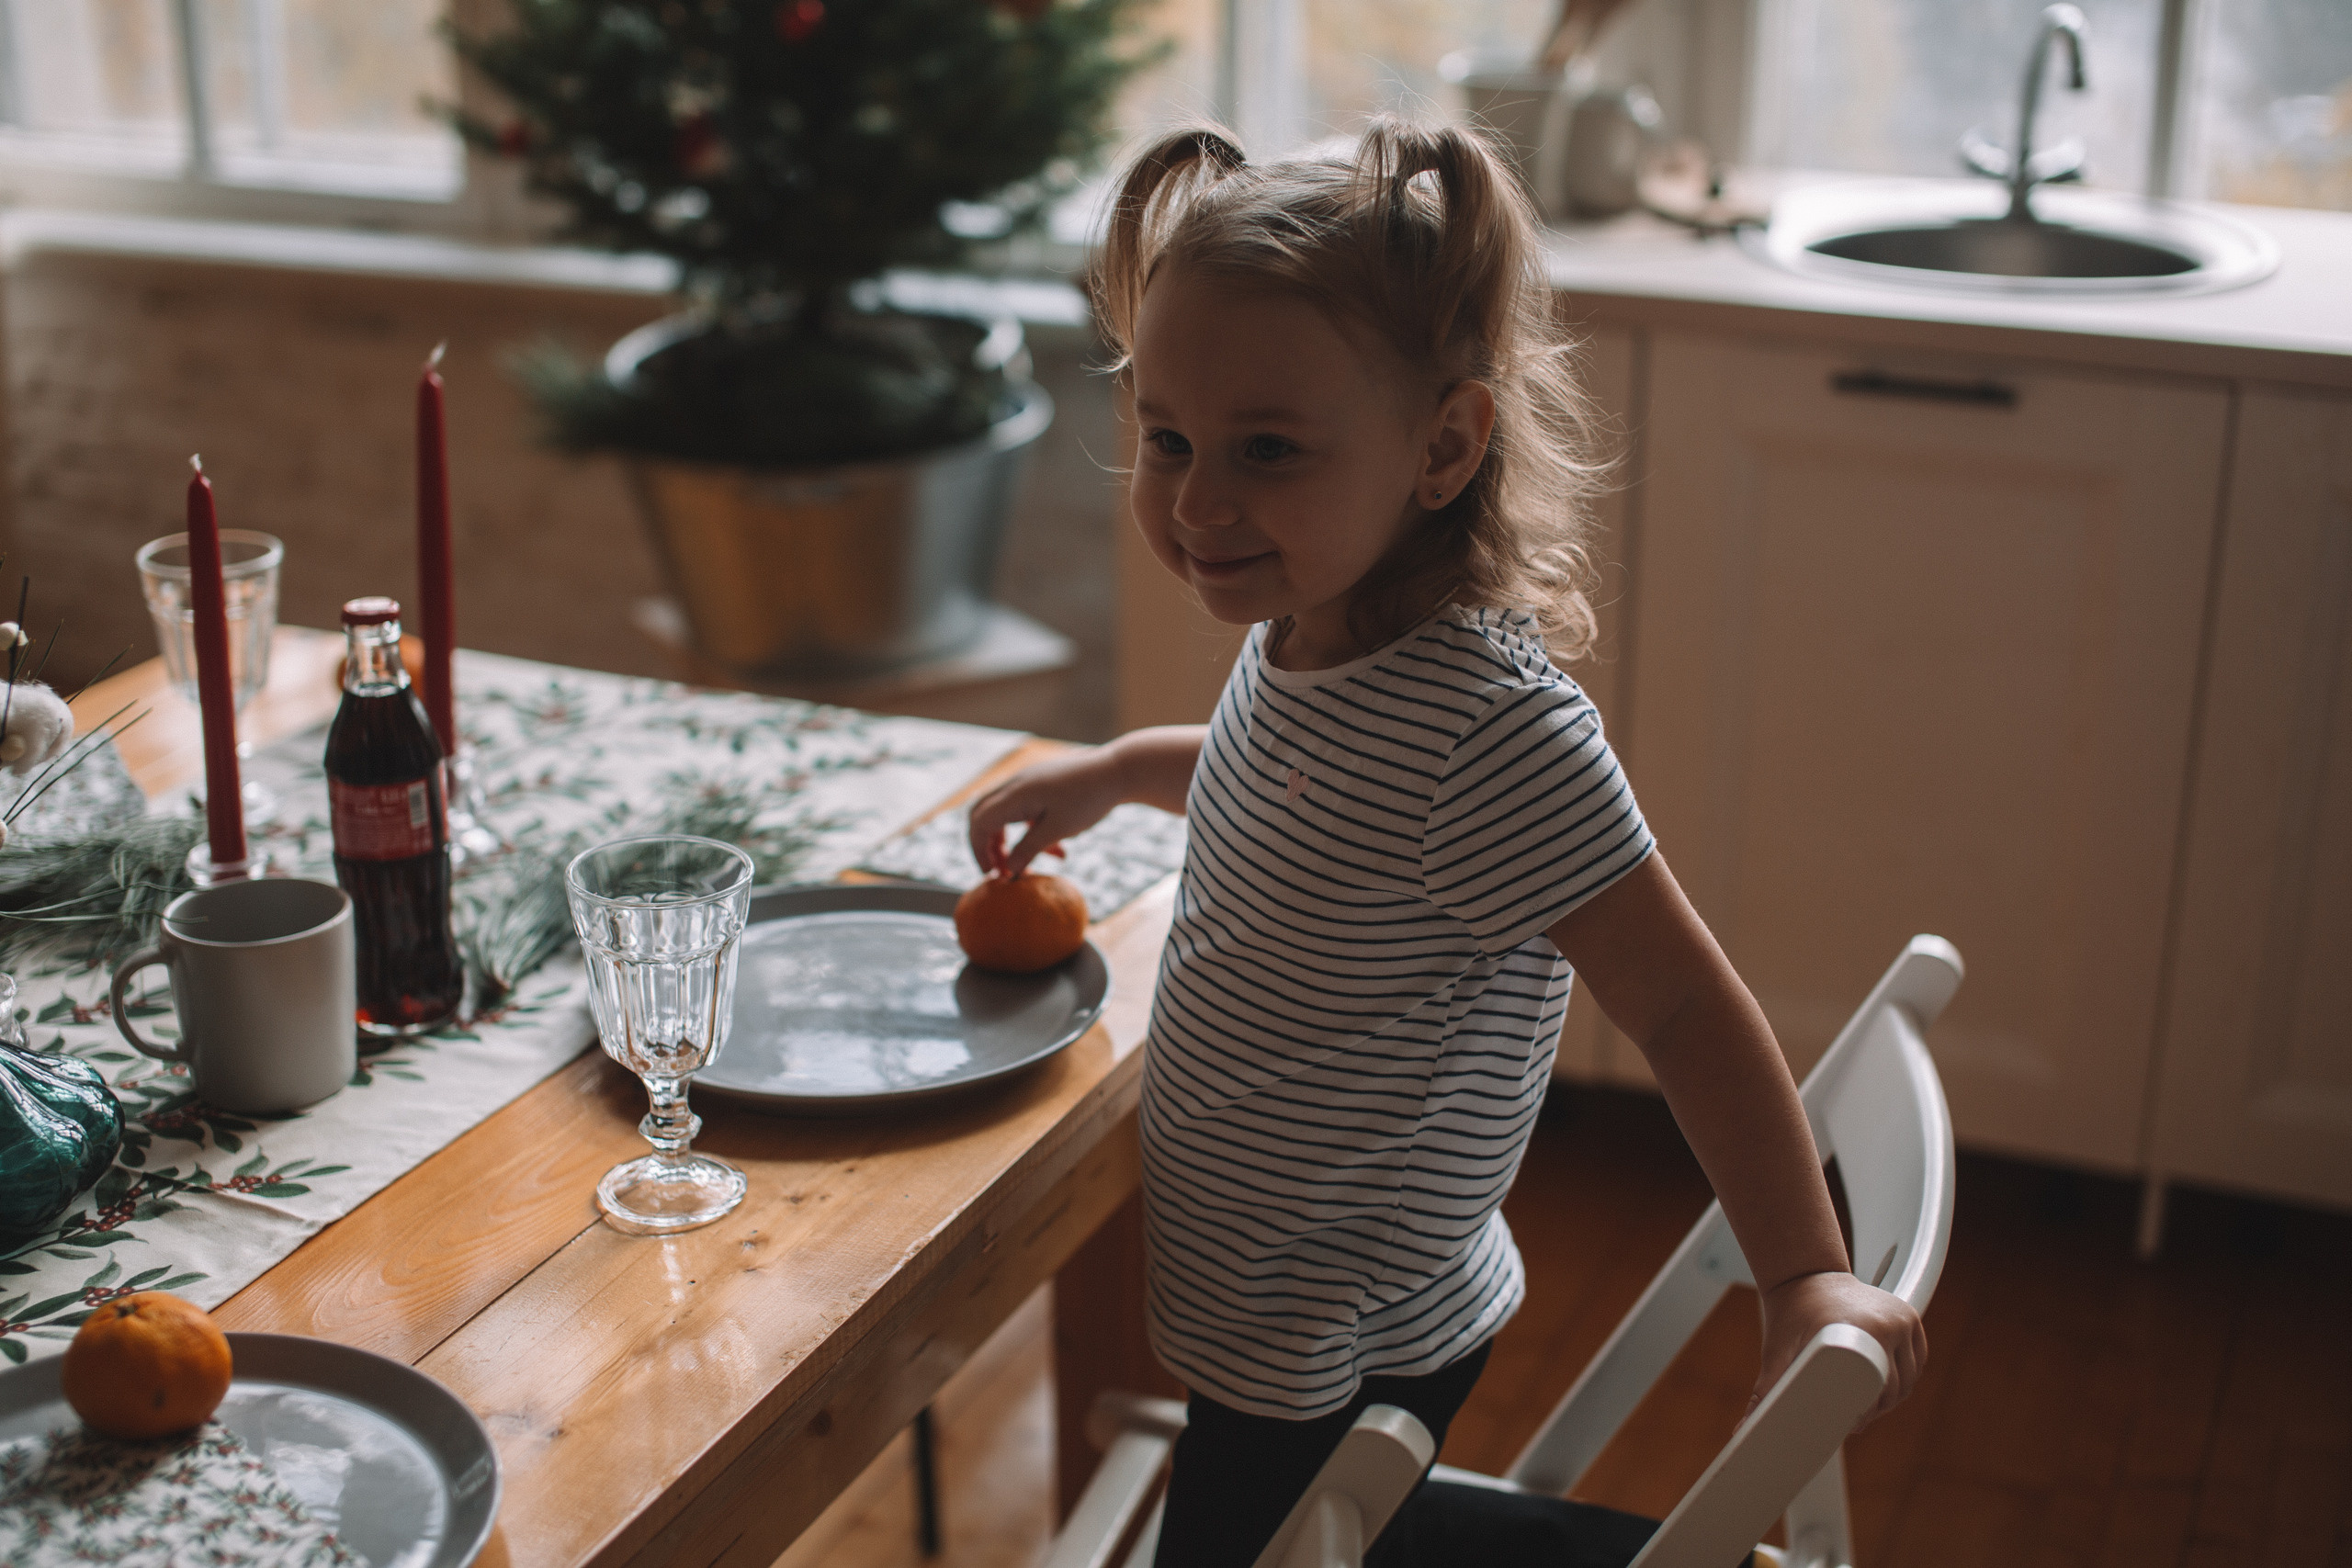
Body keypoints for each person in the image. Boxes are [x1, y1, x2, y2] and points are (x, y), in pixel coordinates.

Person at [966, 118, 1926, 1567]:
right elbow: (1278, 792)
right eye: (1168, 438)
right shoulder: (1313, 620)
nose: (1198, 499)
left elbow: (1677, 1000)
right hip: (1268, 1284)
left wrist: (1802, 1276)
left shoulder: (1489, 732)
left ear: (1444, 446)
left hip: (1334, 1325)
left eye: (1267, 449)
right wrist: (1118, 771)